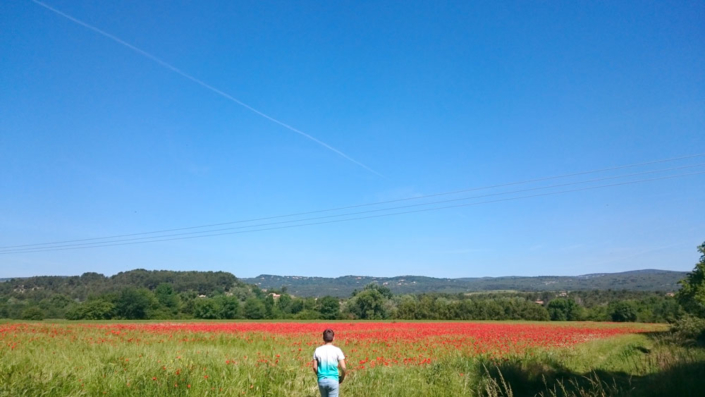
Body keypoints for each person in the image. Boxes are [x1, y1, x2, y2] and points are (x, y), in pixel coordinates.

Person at [312, 328, 346, 397]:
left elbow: (315, 367)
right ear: (333, 338)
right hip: (334, 380)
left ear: (323, 338)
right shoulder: (337, 350)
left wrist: (320, 375)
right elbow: (343, 367)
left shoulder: (317, 350)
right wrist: (342, 378)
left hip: (321, 380)